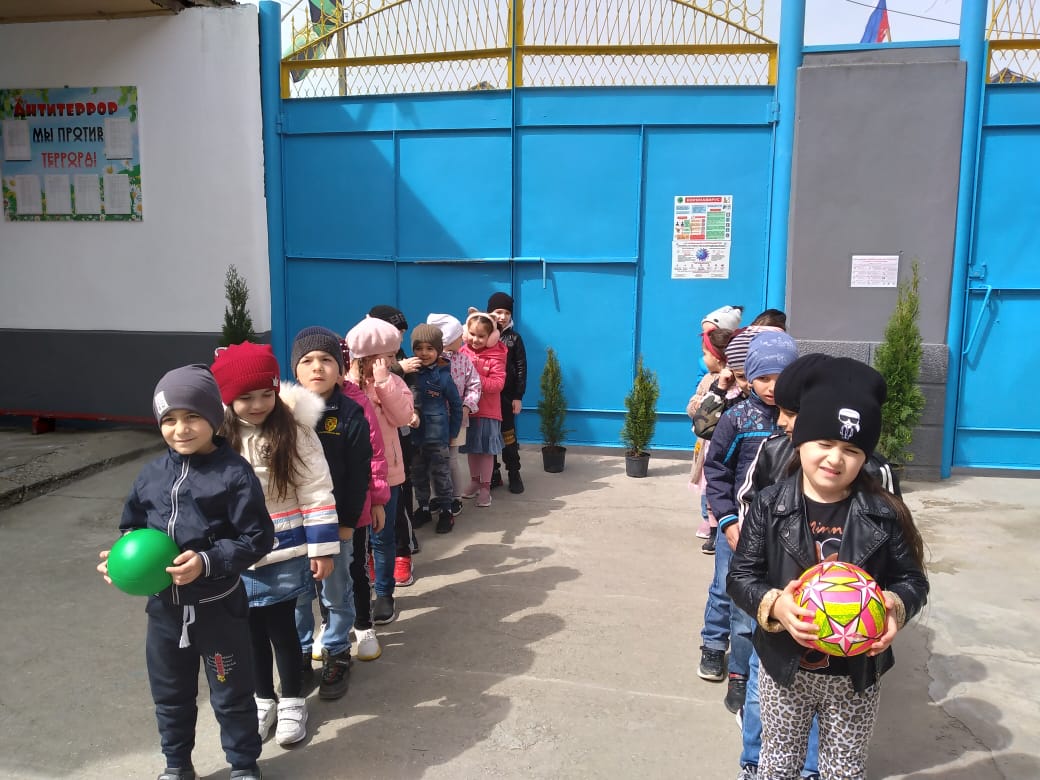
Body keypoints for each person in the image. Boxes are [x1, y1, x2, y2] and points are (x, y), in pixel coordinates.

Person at [727, 373, 929, 780]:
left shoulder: (884, 512)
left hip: (856, 677)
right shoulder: (769, 505)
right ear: (800, 441)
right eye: (824, 443)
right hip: (784, 667)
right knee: (777, 762)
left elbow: (913, 580)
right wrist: (775, 605)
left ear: (865, 456)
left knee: (845, 769)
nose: (835, 459)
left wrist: (893, 607)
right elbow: (741, 576)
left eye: (851, 449)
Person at [97, 364, 274, 780]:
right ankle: (177, 765)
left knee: (231, 695)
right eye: (169, 419)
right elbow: (132, 525)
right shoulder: (151, 474)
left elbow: (257, 537)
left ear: (214, 418)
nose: (181, 429)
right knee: (170, 695)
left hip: (218, 610)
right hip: (164, 612)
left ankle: (243, 765)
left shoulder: (234, 474)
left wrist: (206, 561)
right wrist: (121, 560)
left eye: (193, 416)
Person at [211, 343, 339, 746]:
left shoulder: (295, 431)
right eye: (245, 397)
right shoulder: (217, 436)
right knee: (249, 632)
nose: (258, 405)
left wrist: (322, 547)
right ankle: (262, 699)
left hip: (285, 550)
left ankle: (293, 701)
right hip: (237, 556)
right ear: (227, 398)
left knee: (283, 630)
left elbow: (316, 489)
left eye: (266, 394)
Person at [700, 331, 798, 716]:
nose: (772, 387)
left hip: (783, 536)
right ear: (749, 377)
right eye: (763, 378)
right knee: (732, 598)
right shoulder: (737, 417)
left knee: (768, 606)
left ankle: (760, 671)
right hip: (738, 529)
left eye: (781, 378)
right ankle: (734, 669)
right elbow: (717, 471)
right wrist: (726, 521)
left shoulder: (801, 420)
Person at [291, 327, 372, 701]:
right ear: (295, 370)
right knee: (296, 595)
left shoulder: (351, 414)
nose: (317, 367)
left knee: (336, 591)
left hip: (335, 525)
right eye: (307, 360)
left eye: (326, 360)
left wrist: (347, 524)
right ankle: (299, 654)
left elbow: (358, 474)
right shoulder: (283, 413)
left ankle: (337, 651)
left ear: (340, 370)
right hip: (292, 525)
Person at [345, 315, 415, 624]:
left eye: (392, 355)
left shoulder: (394, 382)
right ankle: (360, 589)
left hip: (389, 473)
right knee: (355, 539)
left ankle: (385, 593)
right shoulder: (346, 385)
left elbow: (402, 417)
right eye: (384, 356)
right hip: (353, 474)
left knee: (383, 536)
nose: (390, 360)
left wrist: (384, 382)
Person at [367, 304, 422, 587]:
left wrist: (414, 411)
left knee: (398, 502)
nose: (400, 339)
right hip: (367, 455)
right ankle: (371, 556)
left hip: (397, 445)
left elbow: (408, 397)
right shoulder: (360, 366)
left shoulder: (396, 362)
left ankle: (403, 551)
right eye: (396, 332)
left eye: (401, 333)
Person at [406, 323, 464, 533]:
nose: (424, 353)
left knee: (441, 474)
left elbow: (456, 406)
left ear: (438, 350)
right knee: (418, 475)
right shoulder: (408, 374)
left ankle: (446, 511)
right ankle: (423, 507)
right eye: (419, 348)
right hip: (414, 436)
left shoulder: (444, 376)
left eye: (429, 348)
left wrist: (453, 433)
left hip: (438, 437)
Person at [687, 326, 739, 551]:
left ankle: (719, 530)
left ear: (718, 357)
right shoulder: (708, 380)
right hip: (707, 444)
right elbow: (693, 410)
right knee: (708, 489)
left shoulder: (735, 384)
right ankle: (712, 528)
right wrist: (699, 405)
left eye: (705, 354)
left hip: (724, 447)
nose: (703, 358)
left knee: (718, 487)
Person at [427, 312, 482, 517]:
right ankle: (437, 496)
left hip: (457, 419)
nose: (464, 339)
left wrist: (467, 406)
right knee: (433, 459)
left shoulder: (464, 360)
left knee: (451, 459)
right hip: (432, 419)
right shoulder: (430, 361)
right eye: (460, 336)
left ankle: (455, 497)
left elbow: (474, 384)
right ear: (449, 339)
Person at [459, 309, 507, 507]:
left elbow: (498, 384)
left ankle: (486, 487)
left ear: (491, 337)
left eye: (481, 336)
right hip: (468, 410)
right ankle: (474, 481)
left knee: (486, 451)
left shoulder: (497, 355)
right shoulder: (463, 352)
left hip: (488, 411)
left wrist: (475, 379)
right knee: (472, 448)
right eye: (472, 334)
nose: (475, 339)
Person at [487, 292, 527, 493]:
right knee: (488, 436)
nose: (502, 317)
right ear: (490, 313)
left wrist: (518, 397)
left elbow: (521, 368)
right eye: (498, 312)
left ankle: (514, 472)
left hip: (506, 397)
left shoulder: (514, 338)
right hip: (487, 398)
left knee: (508, 436)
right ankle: (492, 473)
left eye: (507, 313)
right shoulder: (483, 336)